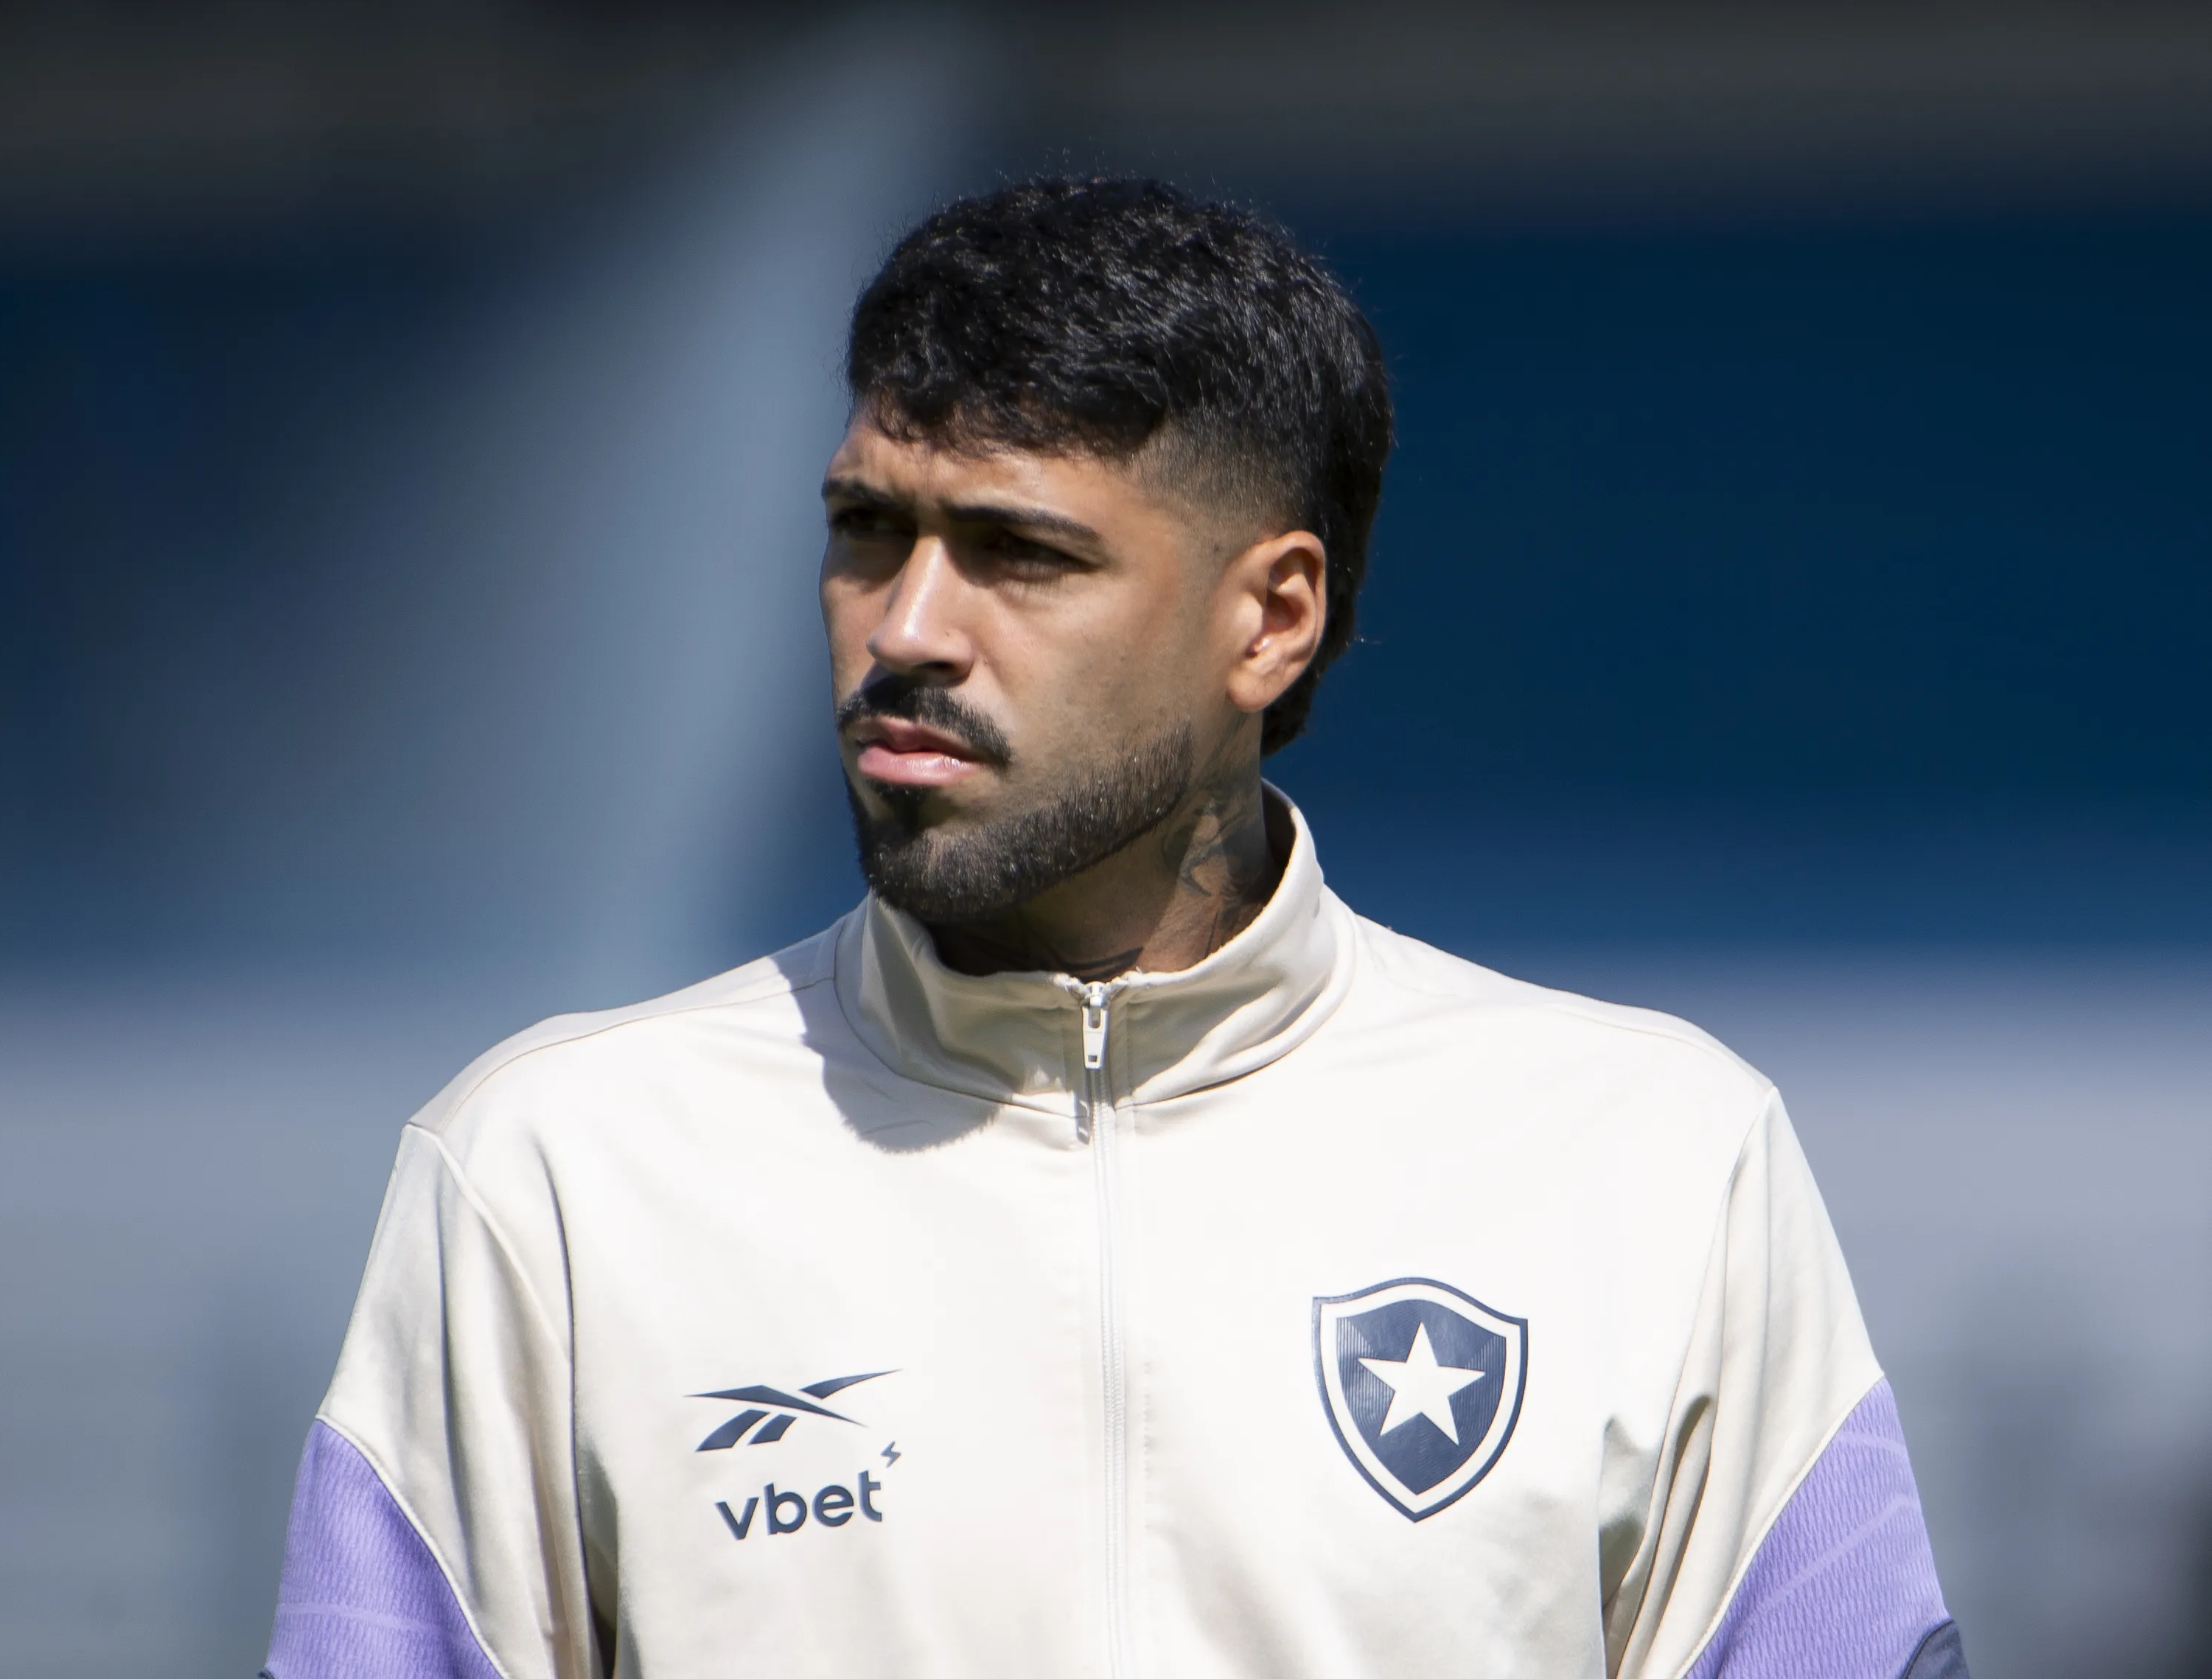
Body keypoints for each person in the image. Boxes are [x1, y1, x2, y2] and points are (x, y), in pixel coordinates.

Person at [261, 177, 1965, 1679]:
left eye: (1017, 551)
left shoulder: (1651, 1161)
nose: (905, 628)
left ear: (1267, 619)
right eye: (868, 532)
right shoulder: (557, 1172)